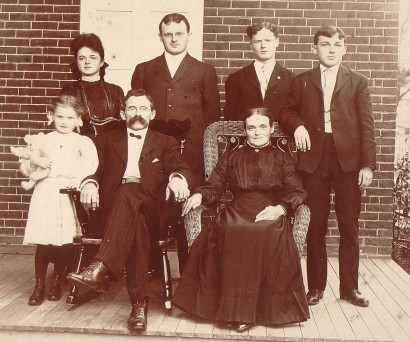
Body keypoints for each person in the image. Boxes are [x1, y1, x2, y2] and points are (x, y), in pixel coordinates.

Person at [66, 89, 196, 332]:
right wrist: (90, 183)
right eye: (132, 108)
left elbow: (183, 168)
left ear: (153, 113)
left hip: (153, 208)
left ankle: (101, 267)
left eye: (143, 108)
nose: (138, 114)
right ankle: (139, 305)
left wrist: (178, 179)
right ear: (123, 112)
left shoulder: (165, 142)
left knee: (131, 196)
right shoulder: (105, 140)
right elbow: (93, 169)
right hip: (113, 212)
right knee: (134, 220)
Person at [173, 108, 309, 332]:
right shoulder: (233, 155)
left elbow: (296, 190)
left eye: (262, 126)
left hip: (270, 210)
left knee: (260, 232)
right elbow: (215, 184)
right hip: (237, 209)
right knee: (232, 230)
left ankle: (247, 313)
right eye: (251, 127)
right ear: (245, 130)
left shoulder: (281, 158)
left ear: (272, 129)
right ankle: (230, 311)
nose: (257, 132)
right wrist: (200, 195)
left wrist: (281, 208)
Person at [280, 26, 376, 307]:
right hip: (314, 160)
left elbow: (367, 126)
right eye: (325, 44)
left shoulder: (357, 81)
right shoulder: (302, 81)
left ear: (344, 49)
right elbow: (286, 112)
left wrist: (367, 165)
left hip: (348, 162)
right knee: (316, 225)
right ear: (315, 49)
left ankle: (350, 288)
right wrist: (297, 125)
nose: (331, 49)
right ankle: (316, 287)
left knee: (349, 226)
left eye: (336, 45)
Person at [131, 12, 220, 273]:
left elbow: (212, 118)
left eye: (179, 33)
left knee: (185, 214)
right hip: (153, 154)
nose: (173, 39)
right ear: (160, 37)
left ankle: (188, 273)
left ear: (188, 35)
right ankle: (152, 273)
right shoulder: (145, 70)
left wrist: (203, 156)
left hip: (189, 156)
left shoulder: (205, 71)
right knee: (152, 209)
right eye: (168, 34)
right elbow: (136, 115)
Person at [21, 95, 99, 305]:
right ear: (51, 116)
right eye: (60, 116)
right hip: (45, 193)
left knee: (63, 242)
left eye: (70, 117)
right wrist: (37, 164)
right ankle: (39, 286)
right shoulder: (43, 140)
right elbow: (29, 166)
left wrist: (75, 179)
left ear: (78, 119)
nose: (64, 121)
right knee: (44, 242)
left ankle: (56, 281)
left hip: (66, 193)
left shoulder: (83, 142)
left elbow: (90, 166)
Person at [224, 22, 295, 122]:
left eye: (267, 41)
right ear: (251, 44)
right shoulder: (236, 79)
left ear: (277, 42)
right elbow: (230, 119)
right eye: (257, 41)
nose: (263, 46)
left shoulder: (291, 79)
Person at [62, 33, 125, 137]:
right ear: (77, 62)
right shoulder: (69, 90)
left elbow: (122, 126)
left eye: (93, 57)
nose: (87, 62)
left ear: (102, 62)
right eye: (82, 58)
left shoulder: (116, 91)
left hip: (110, 148)